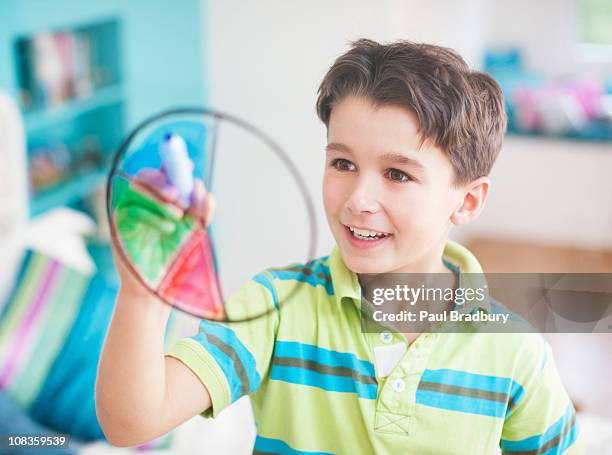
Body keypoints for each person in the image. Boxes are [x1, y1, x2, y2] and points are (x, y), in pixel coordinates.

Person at [96, 39, 584, 454]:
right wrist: (143, 294)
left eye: (397, 174)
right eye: (343, 164)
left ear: (468, 200)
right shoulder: (274, 307)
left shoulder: (516, 349)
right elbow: (132, 423)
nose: (358, 200)